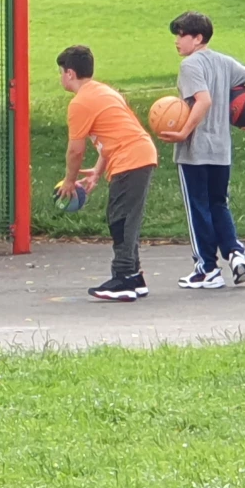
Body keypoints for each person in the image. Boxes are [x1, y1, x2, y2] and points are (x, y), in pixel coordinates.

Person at [154, 12, 245, 289]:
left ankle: (207, 269)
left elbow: (203, 101)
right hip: (221, 149)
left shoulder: (190, 65)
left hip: (195, 150)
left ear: (197, 38)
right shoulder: (224, 62)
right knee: (218, 204)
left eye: (181, 35)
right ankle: (235, 254)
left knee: (198, 209)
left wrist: (183, 132)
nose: (177, 41)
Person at [55, 44, 159, 301]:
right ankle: (134, 276)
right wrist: (97, 172)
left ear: (69, 73)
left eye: (61, 72)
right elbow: (115, 132)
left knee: (120, 220)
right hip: (139, 153)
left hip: (130, 158)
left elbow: (75, 151)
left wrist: (69, 181)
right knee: (127, 219)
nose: (60, 77)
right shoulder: (104, 91)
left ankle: (123, 278)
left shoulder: (80, 103)